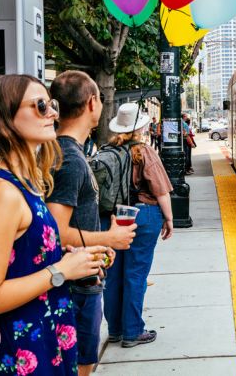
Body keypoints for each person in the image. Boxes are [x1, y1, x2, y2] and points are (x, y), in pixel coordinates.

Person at [0, 74, 108, 375]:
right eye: (41, 106)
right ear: (3, 121)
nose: (53, 113)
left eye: (51, 104)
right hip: (18, 355)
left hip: (40, 340)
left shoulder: (23, 184)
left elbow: (24, 259)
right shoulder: (2, 192)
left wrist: (72, 260)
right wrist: (61, 271)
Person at [46, 71, 136, 376]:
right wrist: (111, 239)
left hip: (81, 279)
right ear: (92, 102)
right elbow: (56, 232)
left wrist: (101, 241)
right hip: (77, 286)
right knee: (81, 366)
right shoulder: (70, 159)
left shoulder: (67, 153)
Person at [99, 103, 174, 348]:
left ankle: (116, 330)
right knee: (136, 274)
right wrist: (169, 218)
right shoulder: (143, 152)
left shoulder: (109, 149)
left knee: (114, 275)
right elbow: (161, 190)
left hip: (114, 218)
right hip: (143, 215)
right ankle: (133, 332)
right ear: (140, 127)